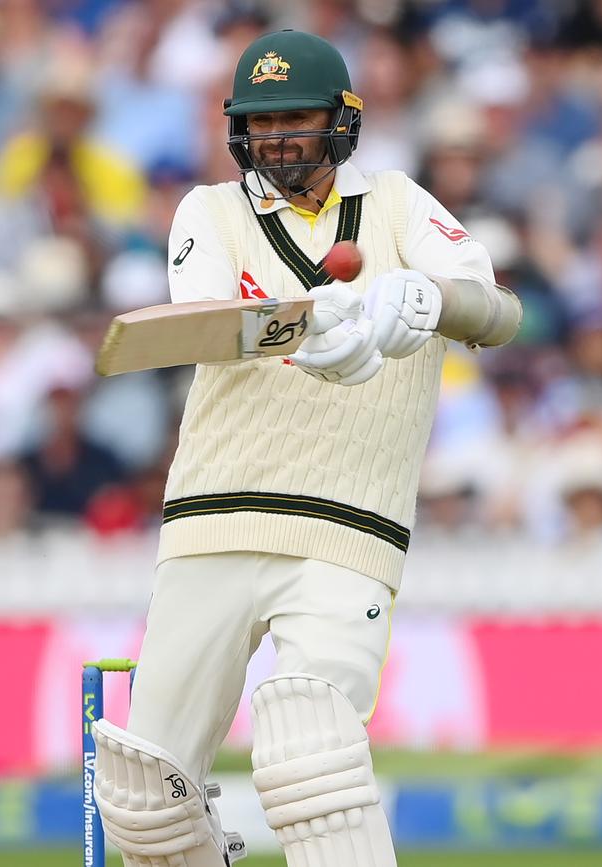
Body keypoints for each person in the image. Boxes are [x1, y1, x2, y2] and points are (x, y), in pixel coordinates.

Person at [92, 30, 522, 867]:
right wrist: (309, 326)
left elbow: (499, 311)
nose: (279, 139)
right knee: (146, 798)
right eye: (262, 123)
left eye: (297, 119)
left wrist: (427, 297)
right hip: (212, 521)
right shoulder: (210, 211)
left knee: (310, 757)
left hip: (346, 529)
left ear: (343, 121)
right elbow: (209, 323)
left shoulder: (399, 206)